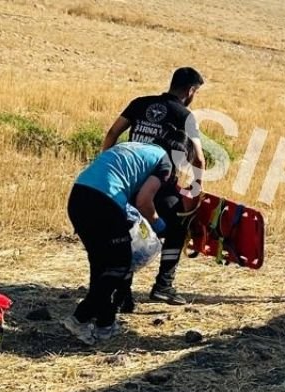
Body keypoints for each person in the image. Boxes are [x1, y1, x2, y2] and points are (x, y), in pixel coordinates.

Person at [63, 140, 186, 345]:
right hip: (104, 199)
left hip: (78, 196)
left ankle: (105, 323)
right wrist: (159, 226)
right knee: (120, 265)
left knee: (101, 264)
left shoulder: (134, 147)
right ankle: (80, 318)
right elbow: (144, 201)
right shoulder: (165, 162)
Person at [102, 67, 206, 306]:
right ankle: (163, 285)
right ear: (191, 91)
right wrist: (197, 189)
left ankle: (122, 293)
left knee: (127, 234)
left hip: (128, 182)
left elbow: (112, 133)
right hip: (161, 184)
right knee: (176, 229)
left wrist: (109, 165)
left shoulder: (140, 103)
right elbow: (198, 158)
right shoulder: (185, 115)